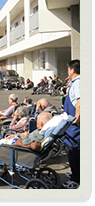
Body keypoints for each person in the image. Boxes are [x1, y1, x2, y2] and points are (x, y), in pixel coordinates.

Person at [62, 59, 80, 189]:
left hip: (75, 124)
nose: (67, 71)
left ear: (72, 70)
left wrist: (77, 118)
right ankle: (76, 174)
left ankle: (76, 180)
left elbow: (80, 101)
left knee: (74, 151)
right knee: (72, 151)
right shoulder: (74, 83)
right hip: (71, 122)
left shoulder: (78, 83)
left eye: (68, 69)